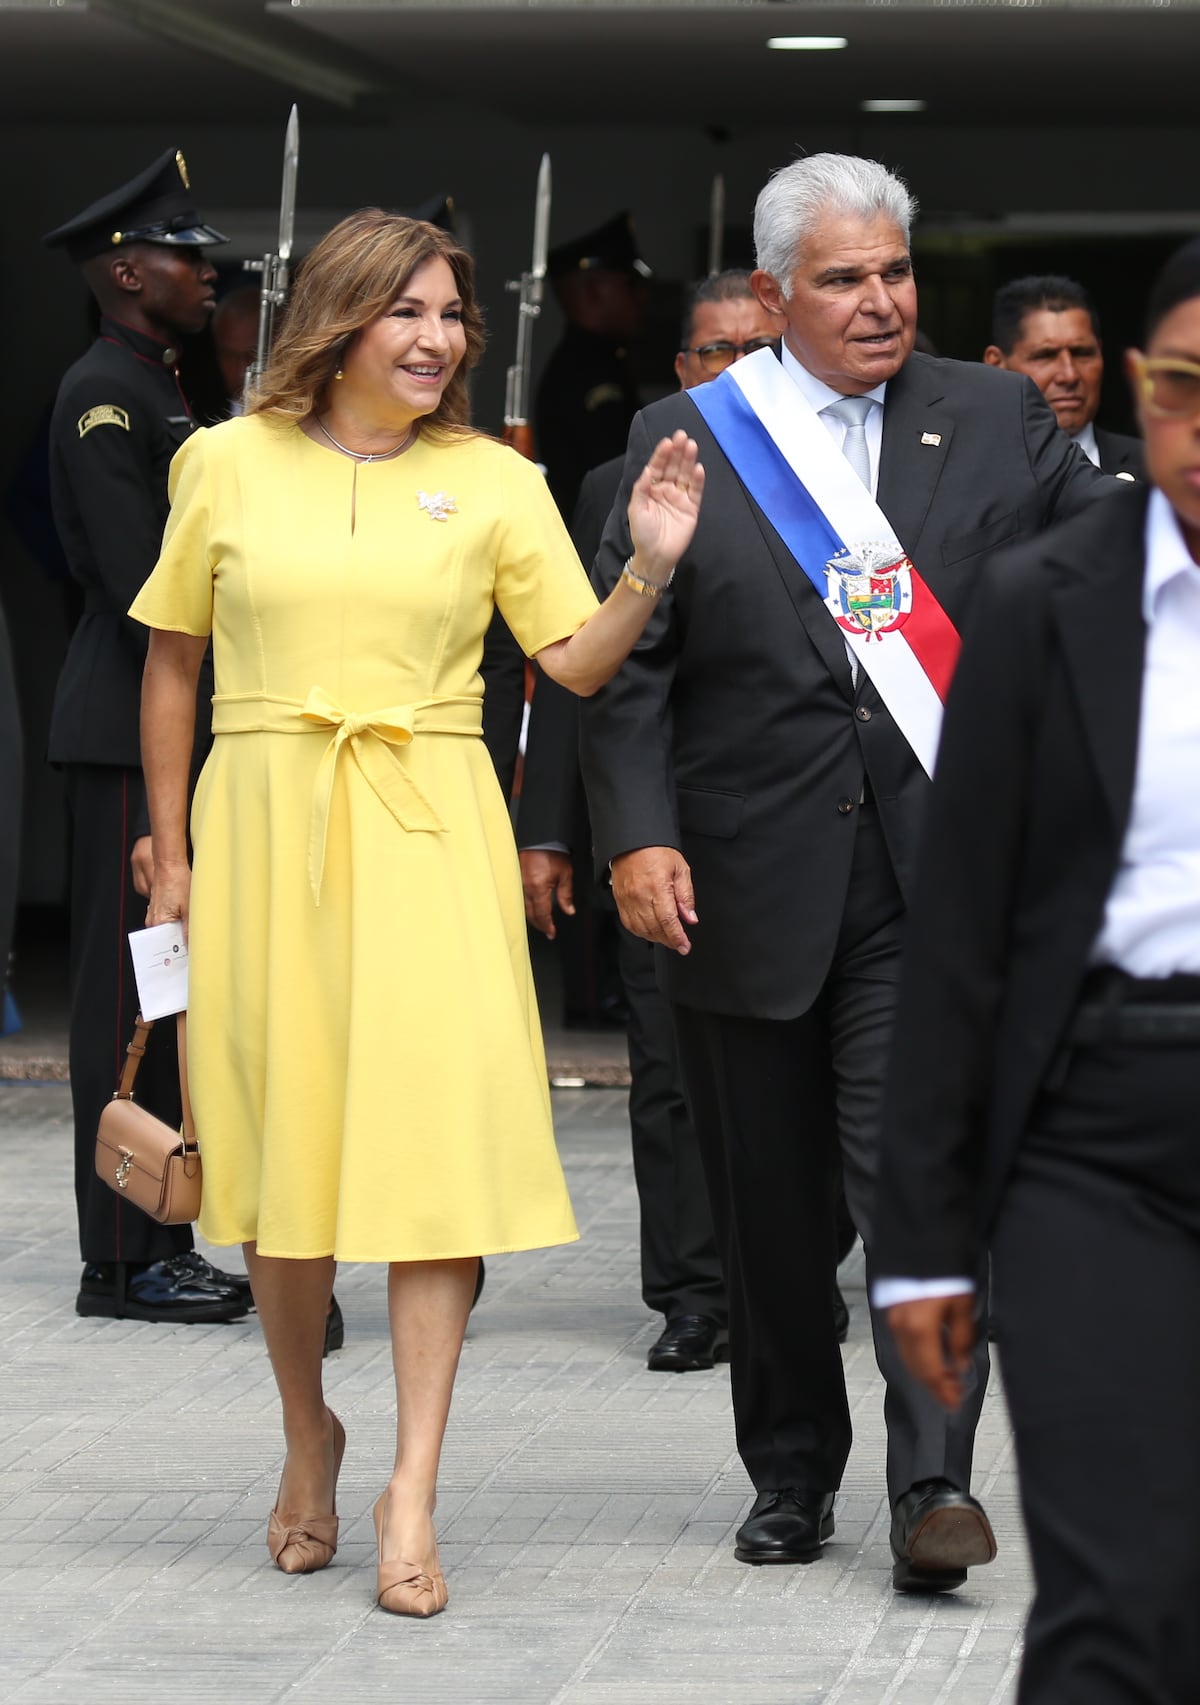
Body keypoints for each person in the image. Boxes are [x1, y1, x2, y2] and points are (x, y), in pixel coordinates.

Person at [129, 209, 702, 1616]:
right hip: (262, 821)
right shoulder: (220, 461)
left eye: (453, 315)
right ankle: (307, 1432)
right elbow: (171, 665)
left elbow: (569, 663)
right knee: (282, 1149)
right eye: (412, 312)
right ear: (340, 318)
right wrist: (168, 849)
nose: (441, 337)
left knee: (432, 1151)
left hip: (434, 823)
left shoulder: (497, 483)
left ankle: (415, 1486)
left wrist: (650, 561)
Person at [579, 151, 1111, 1590]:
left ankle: (934, 1482)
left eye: (895, 273)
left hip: (940, 886)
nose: (880, 304)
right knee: (770, 1209)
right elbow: (628, 674)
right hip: (744, 882)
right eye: (843, 279)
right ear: (773, 293)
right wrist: (634, 832)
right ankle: (791, 1476)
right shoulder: (687, 433)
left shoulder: (997, 417)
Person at [873, 237, 1200, 1701]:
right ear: (1141, 391)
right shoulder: (1045, 596)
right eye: (1188, 393)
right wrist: (928, 1246)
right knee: (1113, 1590)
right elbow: (960, 940)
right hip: (1098, 1129)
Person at [522, 269, 860, 1373]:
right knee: (670, 1073)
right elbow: (579, 675)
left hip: (805, 826)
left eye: (762, 347)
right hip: (664, 824)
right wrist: (558, 830)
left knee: (813, 1076)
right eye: (717, 352)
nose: (741, 370)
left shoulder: (849, 473)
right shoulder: (627, 479)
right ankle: (693, 1290)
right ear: (681, 370)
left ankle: (795, 1269)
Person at [43, 148, 249, 1325]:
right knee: (134, 989)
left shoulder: (160, 383)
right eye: (185, 255)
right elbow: (144, 590)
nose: (204, 271)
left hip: (165, 725)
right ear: (127, 271)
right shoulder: (105, 393)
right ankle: (121, 1254)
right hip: (130, 727)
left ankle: (153, 1226)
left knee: (167, 983)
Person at [535, 211, 651, 525]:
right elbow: (615, 472)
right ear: (593, 292)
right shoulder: (583, 371)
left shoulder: (604, 361)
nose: (641, 297)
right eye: (630, 284)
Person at [984, 275, 1145, 477]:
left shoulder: (1157, 470)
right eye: (1045, 356)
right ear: (996, 364)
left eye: (1082, 353)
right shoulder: (966, 471)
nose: (1069, 375)